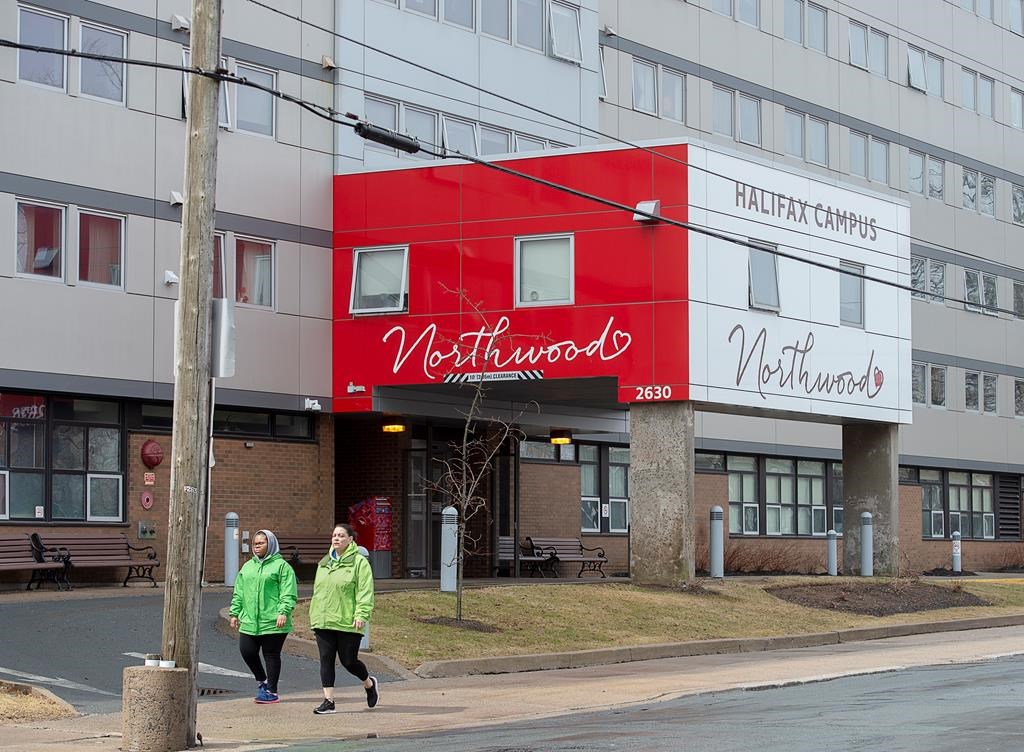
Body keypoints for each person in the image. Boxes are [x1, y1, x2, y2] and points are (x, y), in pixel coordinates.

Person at [308, 523, 378, 714]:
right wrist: (315, 614)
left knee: (348, 661)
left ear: (350, 539)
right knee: (326, 659)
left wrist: (362, 614)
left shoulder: (359, 562)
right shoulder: (325, 562)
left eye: (341, 535)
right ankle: (328, 701)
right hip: (324, 619)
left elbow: (365, 591)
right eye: (334, 535)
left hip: (348, 619)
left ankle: (369, 684)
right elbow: (318, 591)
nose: (336, 538)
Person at [229, 529, 298, 704]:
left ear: (271, 544)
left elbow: (288, 593)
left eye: (261, 543)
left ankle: (272, 692)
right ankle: (262, 681)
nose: (257, 546)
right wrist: (234, 612)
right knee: (247, 651)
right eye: (255, 543)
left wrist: (283, 612)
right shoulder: (248, 566)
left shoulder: (282, 566)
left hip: (273, 620)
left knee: (271, 654)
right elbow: (239, 592)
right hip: (249, 620)